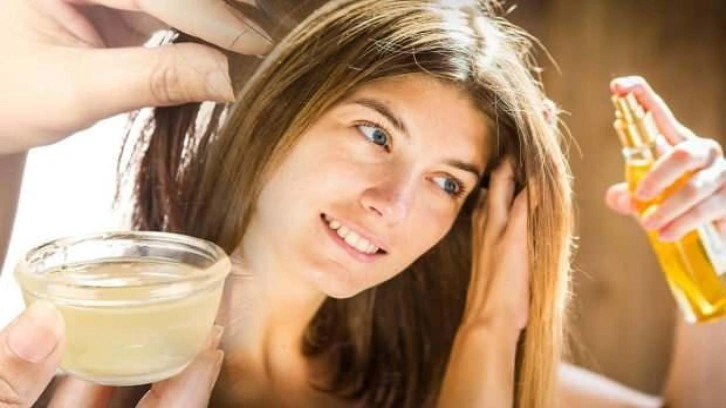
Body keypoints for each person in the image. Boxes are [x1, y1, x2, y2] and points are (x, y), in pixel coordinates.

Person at [0, 1, 723, 408]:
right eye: (376, 134)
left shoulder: (424, 373)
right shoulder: (81, 357)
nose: (393, 204)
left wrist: (706, 250)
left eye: (447, 182)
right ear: (280, 112)